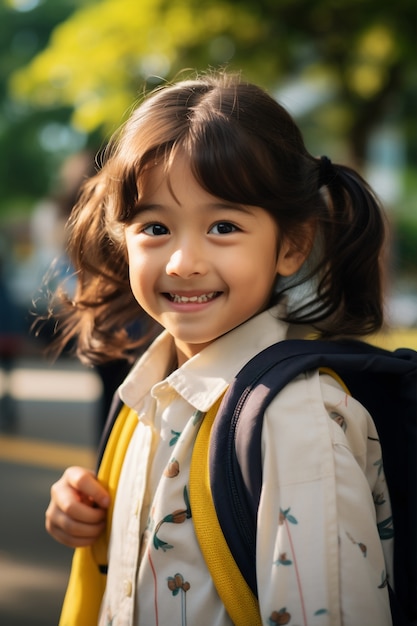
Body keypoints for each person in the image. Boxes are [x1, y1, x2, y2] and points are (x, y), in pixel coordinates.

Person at [45, 72, 393, 626]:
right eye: (155, 226)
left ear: (292, 245)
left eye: (224, 226)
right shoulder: (147, 397)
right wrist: (92, 523)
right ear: (123, 238)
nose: (183, 261)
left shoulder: (294, 421)